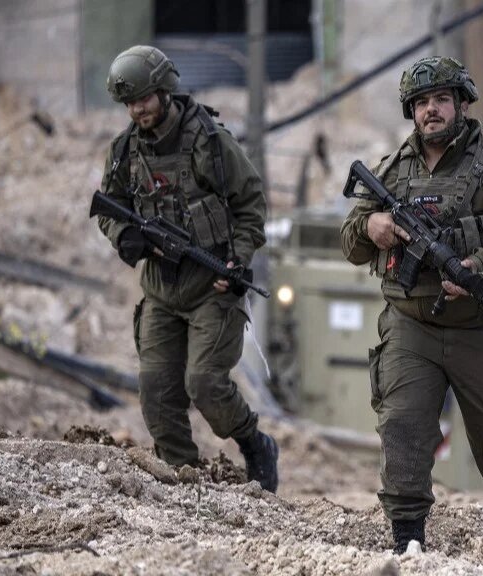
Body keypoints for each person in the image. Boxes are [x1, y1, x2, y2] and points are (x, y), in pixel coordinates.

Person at [340, 56, 483, 557]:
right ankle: (407, 543)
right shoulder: (390, 171)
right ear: (410, 112)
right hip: (411, 326)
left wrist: (481, 263)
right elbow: (351, 243)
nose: (430, 111)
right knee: (403, 429)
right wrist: (371, 228)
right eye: (420, 103)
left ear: (460, 104)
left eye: (440, 100)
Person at [95, 45, 278, 492]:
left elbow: (251, 205)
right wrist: (126, 237)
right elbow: (108, 208)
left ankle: (255, 444)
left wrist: (236, 257)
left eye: (144, 98)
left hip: (210, 290)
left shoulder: (211, 144)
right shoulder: (124, 151)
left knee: (205, 385)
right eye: (129, 102)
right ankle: (183, 481)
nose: (137, 109)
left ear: (164, 90)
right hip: (160, 291)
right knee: (156, 393)